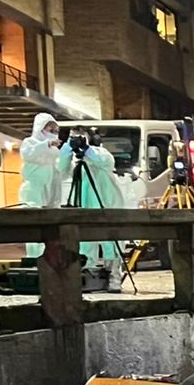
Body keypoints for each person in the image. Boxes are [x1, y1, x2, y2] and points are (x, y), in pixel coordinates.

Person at [57, 130, 129, 292]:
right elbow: (60, 170)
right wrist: (67, 149)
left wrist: (87, 148)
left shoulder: (101, 153)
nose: (77, 140)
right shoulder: (76, 164)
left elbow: (103, 160)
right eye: (72, 137)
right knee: (84, 243)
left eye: (79, 137)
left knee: (111, 241)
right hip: (85, 205)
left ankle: (113, 275)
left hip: (106, 203)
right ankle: (88, 276)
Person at [17, 114, 63, 258]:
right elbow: (28, 155)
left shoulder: (54, 150)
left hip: (49, 187)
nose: (53, 133)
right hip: (34, 189)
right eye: (50, 129)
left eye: (56, 130)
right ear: (40, 128)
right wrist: (46, 145)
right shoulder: (30, 142)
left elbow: (56, 167)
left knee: (49, 227)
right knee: (34, 225)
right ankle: (34, 259)